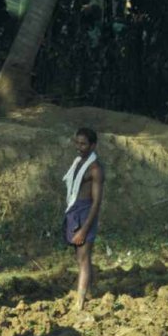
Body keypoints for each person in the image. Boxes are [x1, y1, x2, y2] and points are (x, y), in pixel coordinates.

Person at [62, 127, 105, 309]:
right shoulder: (79, 162)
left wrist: (84, 229)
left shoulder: (95, 169)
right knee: (80, 257)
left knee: (83, 258)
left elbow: (96, 203)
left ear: (93, 145)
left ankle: (79, 302)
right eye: (77, 142)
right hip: (74, 210)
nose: (79, 147)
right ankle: (88, 292)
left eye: (83, 143)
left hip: (86, 212)